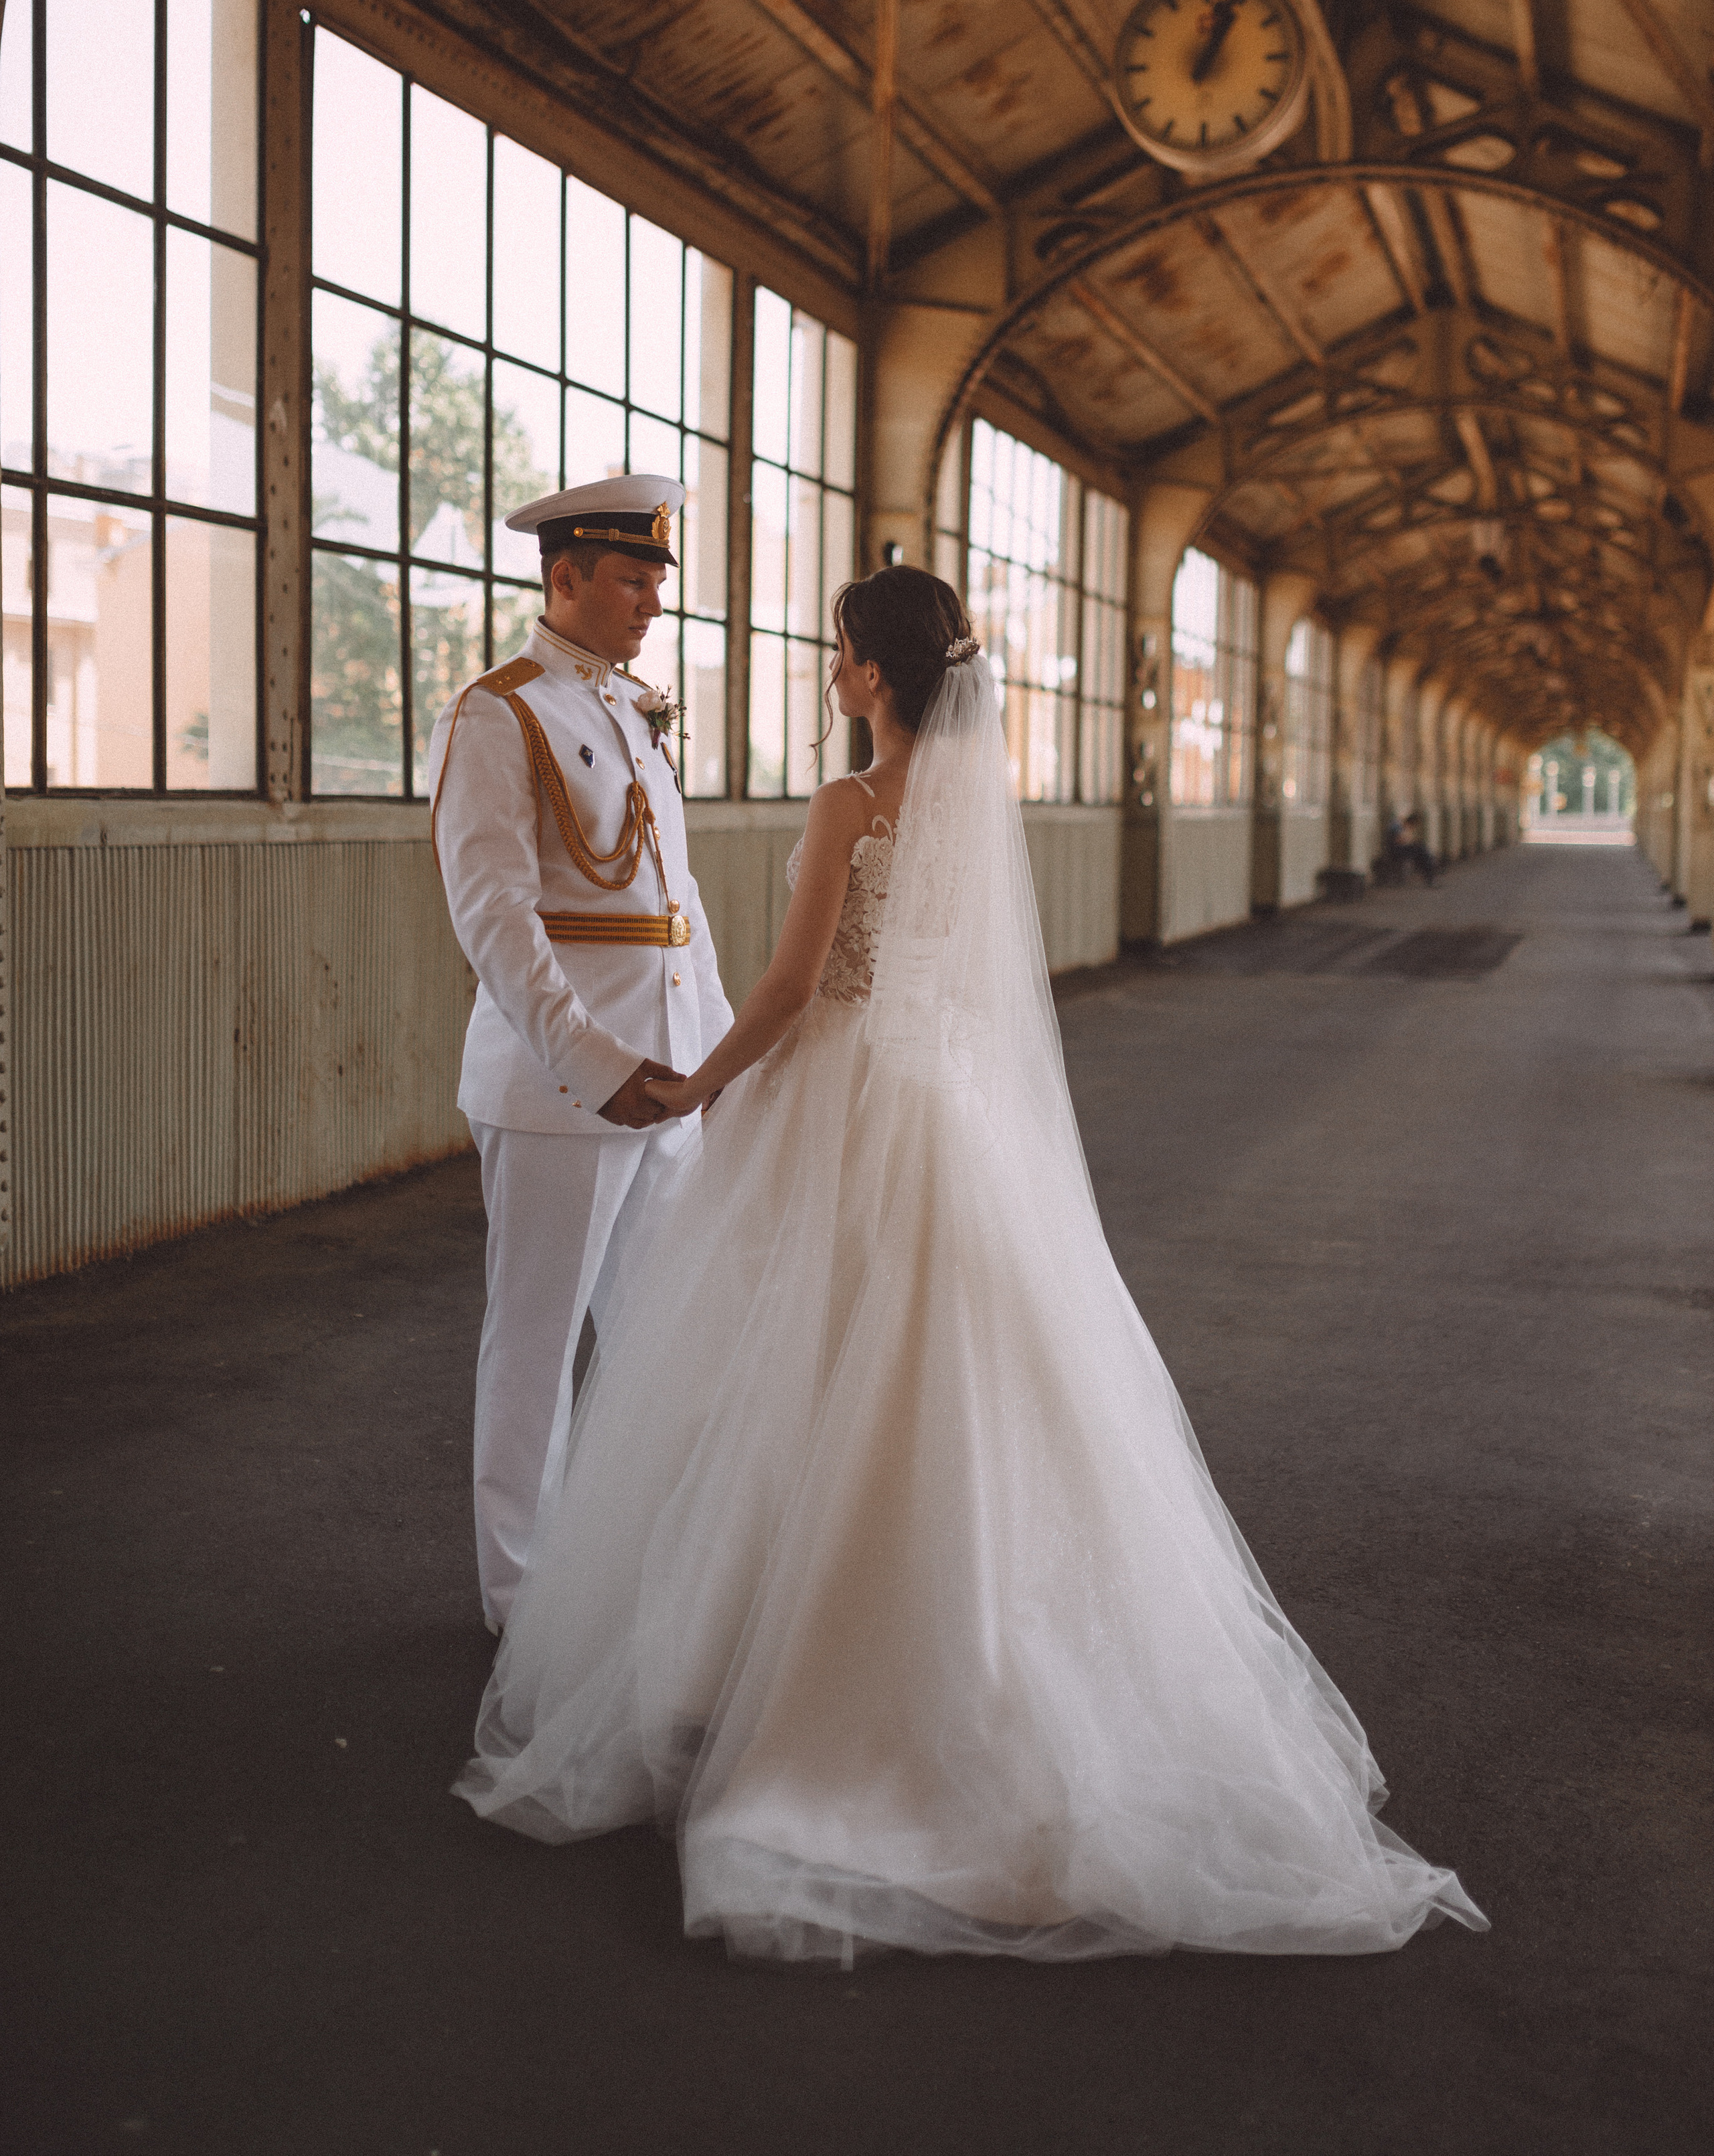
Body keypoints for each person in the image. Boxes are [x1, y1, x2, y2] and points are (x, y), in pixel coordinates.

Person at [454, 566, 1486, 1963]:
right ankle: (973, 1661)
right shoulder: (967, 805)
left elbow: (790, 986)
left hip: (839, 1108)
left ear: (874, 675)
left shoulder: (850, 805)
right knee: (963, 1384)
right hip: (948, 1112)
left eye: (834, 652)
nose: (827, 671)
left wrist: (701, 1083)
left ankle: (781, 1669)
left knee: (803, 1373)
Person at [426, 475, 732, 1635]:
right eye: (634, 574)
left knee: (664, 1340)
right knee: (537, 1343)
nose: (656, 595)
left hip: (666, 1085)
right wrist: (595, 1063)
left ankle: (633, 1573)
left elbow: (676, 909)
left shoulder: (635, 713)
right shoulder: (498, 714)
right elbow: (495, 918)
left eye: (658, 575)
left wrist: (712, 1065)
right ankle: (521, 1598)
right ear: (565, 578)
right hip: (563, 1091)